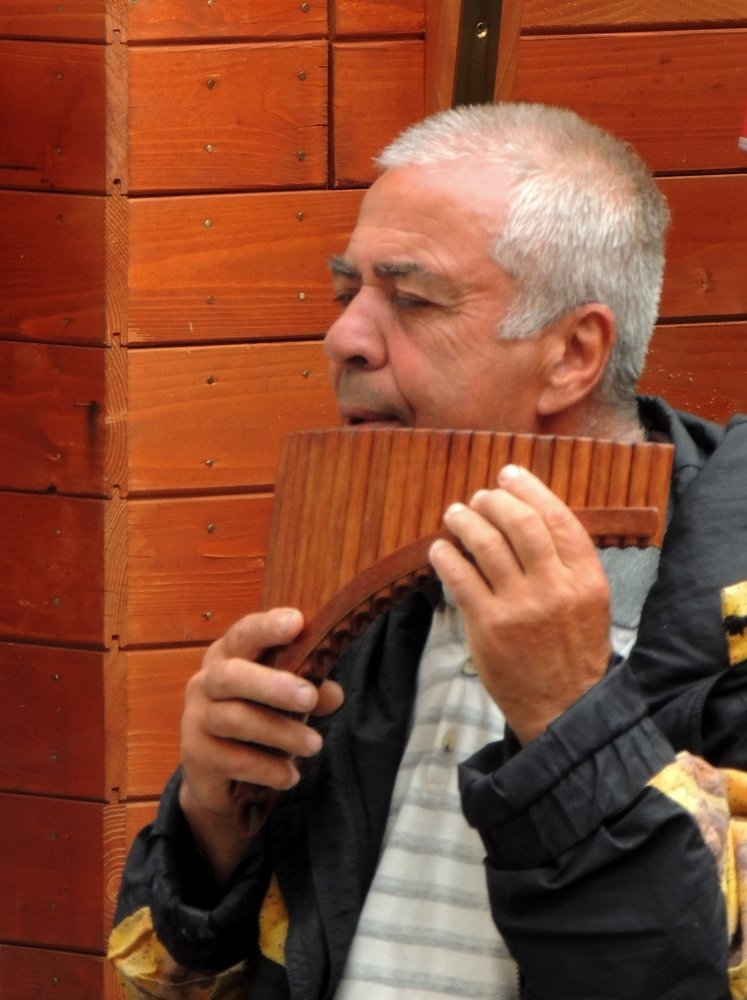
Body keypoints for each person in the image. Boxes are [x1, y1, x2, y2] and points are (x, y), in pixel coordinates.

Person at [109, 102, 747, 999]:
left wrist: (569, 717)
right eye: (347, 293)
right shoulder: (365, 563)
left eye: (410, 299)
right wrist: (212, 824)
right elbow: (176, 982)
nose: (344, 338)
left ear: (572, 353)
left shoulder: (729, 607)